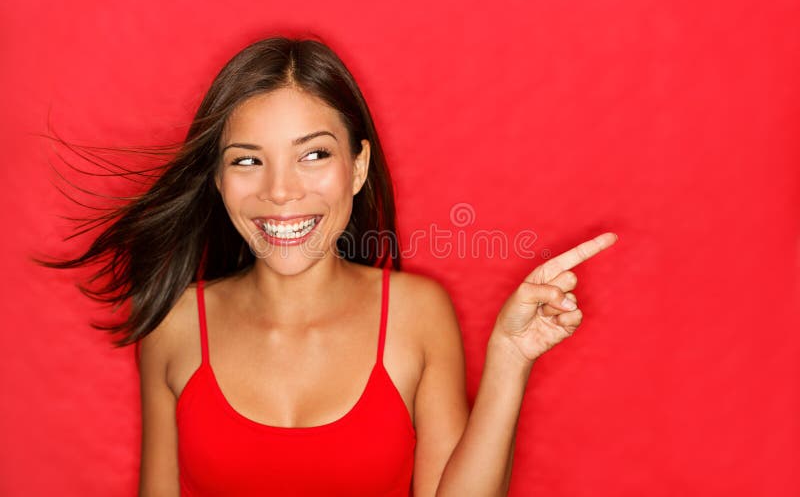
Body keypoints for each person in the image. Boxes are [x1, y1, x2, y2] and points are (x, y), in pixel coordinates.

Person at [37, 35, 618, 496]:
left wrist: (510, 359)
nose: (281, 191)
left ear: (358, 168)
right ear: (217, 180)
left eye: (314, 154)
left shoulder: (416, 315)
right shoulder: (174, 322)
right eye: (247, 161)